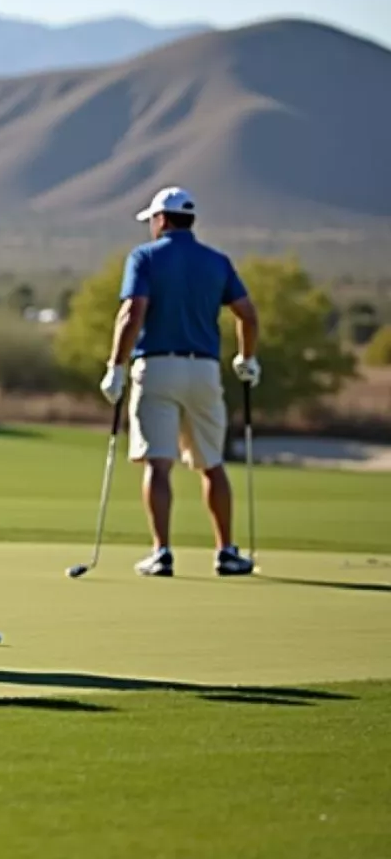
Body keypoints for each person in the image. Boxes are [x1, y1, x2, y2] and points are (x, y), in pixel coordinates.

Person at [99, 186, 261, 577]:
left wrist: (115, 366)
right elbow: (248, 316)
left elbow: (132, 312)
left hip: (156, 368)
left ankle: (162, 552)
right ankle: (226, 552)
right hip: (204, 371)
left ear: (162, 219)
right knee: (213, 464)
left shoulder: (144, 257)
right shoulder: (217, 261)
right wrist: (247, 358)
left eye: (152, 220)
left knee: (158, 463)